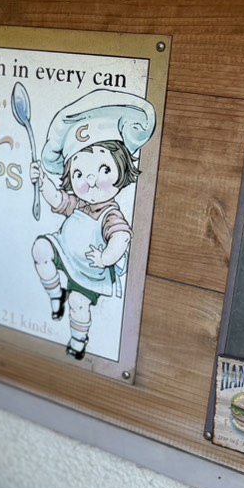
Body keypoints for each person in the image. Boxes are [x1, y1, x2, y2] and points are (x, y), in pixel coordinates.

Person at [28, 89, 157, 361]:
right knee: (40, 248)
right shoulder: (78, 202)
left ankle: (78, 339)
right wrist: (42, 182)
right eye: (79, 173)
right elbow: (57, 199)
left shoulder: (109, 213)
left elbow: (121, 237)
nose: (90, 180)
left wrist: (105, 258)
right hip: (64, 251)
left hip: (90, 269)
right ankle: (55, 293)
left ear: (121, 168)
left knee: (79, 303)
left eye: (103, 169)